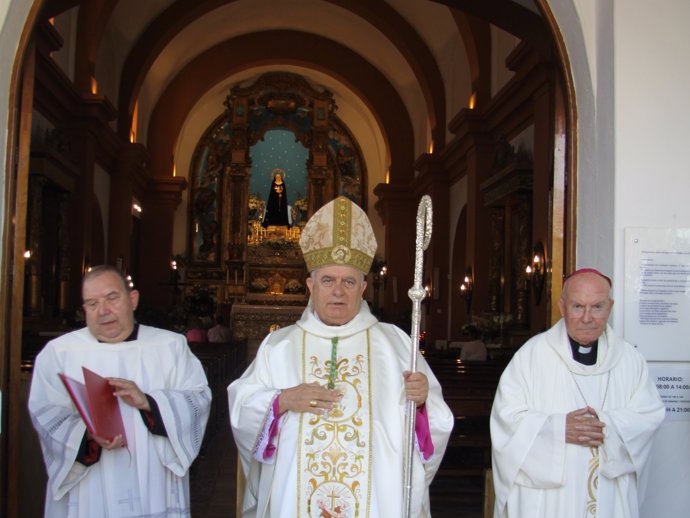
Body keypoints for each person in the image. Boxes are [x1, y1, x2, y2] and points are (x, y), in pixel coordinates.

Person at [228, 196, 453, 518]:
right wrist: (281, 401)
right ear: (310, 285)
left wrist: (421, 404)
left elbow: (438, 421)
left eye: (348, 281)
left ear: (363, 287)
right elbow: (241, 405)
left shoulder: (395, 344)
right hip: (294, 496)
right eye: (328, 280)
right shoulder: (279, 346)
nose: (338, 291)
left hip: (377, 498)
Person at [28, 265, 211, 518]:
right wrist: (87, 437)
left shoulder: (170, 346)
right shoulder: (59, 353)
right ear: (84, 310)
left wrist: (149, 402)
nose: (103, 311)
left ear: (133, 299)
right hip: (88, 486)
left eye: (112, 298)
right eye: (92, 304)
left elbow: (198, 399)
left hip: (152, 478)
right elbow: (45, 413)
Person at [490, 268, 665, 518]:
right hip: (548, 499)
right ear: (562, 307)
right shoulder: (531, 357)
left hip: (609, 493)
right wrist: (558, 428)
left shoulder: (630, 361)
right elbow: (506, 420)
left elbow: (649, 417)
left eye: (596, 307)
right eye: (577, 306)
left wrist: (608, 426)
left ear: (610, 307)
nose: (587, 317)